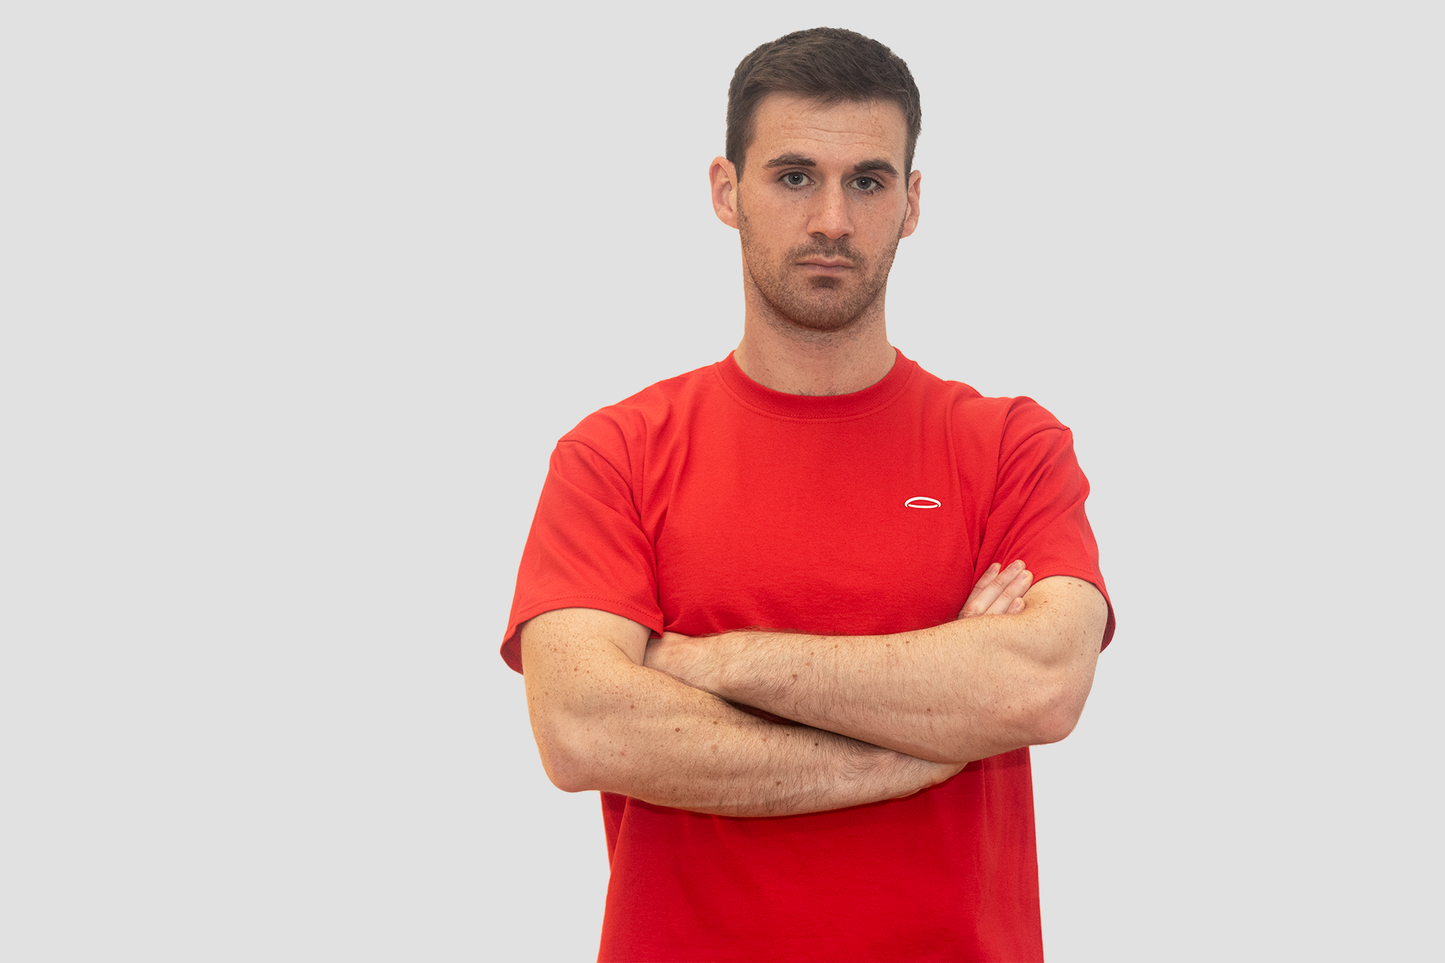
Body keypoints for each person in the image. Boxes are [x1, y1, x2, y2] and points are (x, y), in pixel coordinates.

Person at [502, 26, 1114, 963]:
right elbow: (583, 726)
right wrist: (926, 740)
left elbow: (1038, 683)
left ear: (911, 203)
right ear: (725, 190)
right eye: (794, 176)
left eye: (866, 181)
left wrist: (703, 662)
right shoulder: (615, 454)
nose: (831, 217)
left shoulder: (1008, 448)